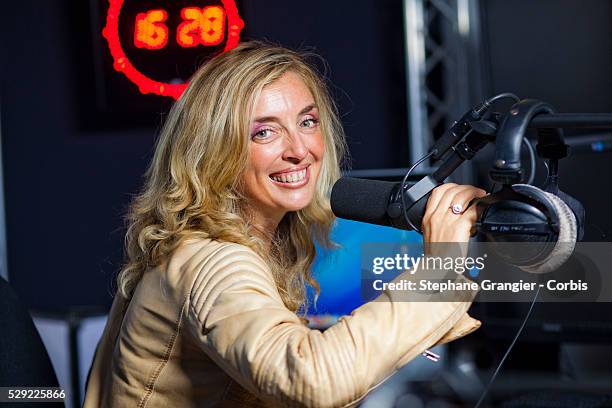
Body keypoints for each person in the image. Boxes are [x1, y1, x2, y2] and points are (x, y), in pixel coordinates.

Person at [84, 41, 487, 407]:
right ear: (213, 151)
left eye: (307, 122)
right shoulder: (214, 261)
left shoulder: (202, 245)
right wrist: (441, 270)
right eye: (265, 132)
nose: (299, 150)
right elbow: (312, 379)